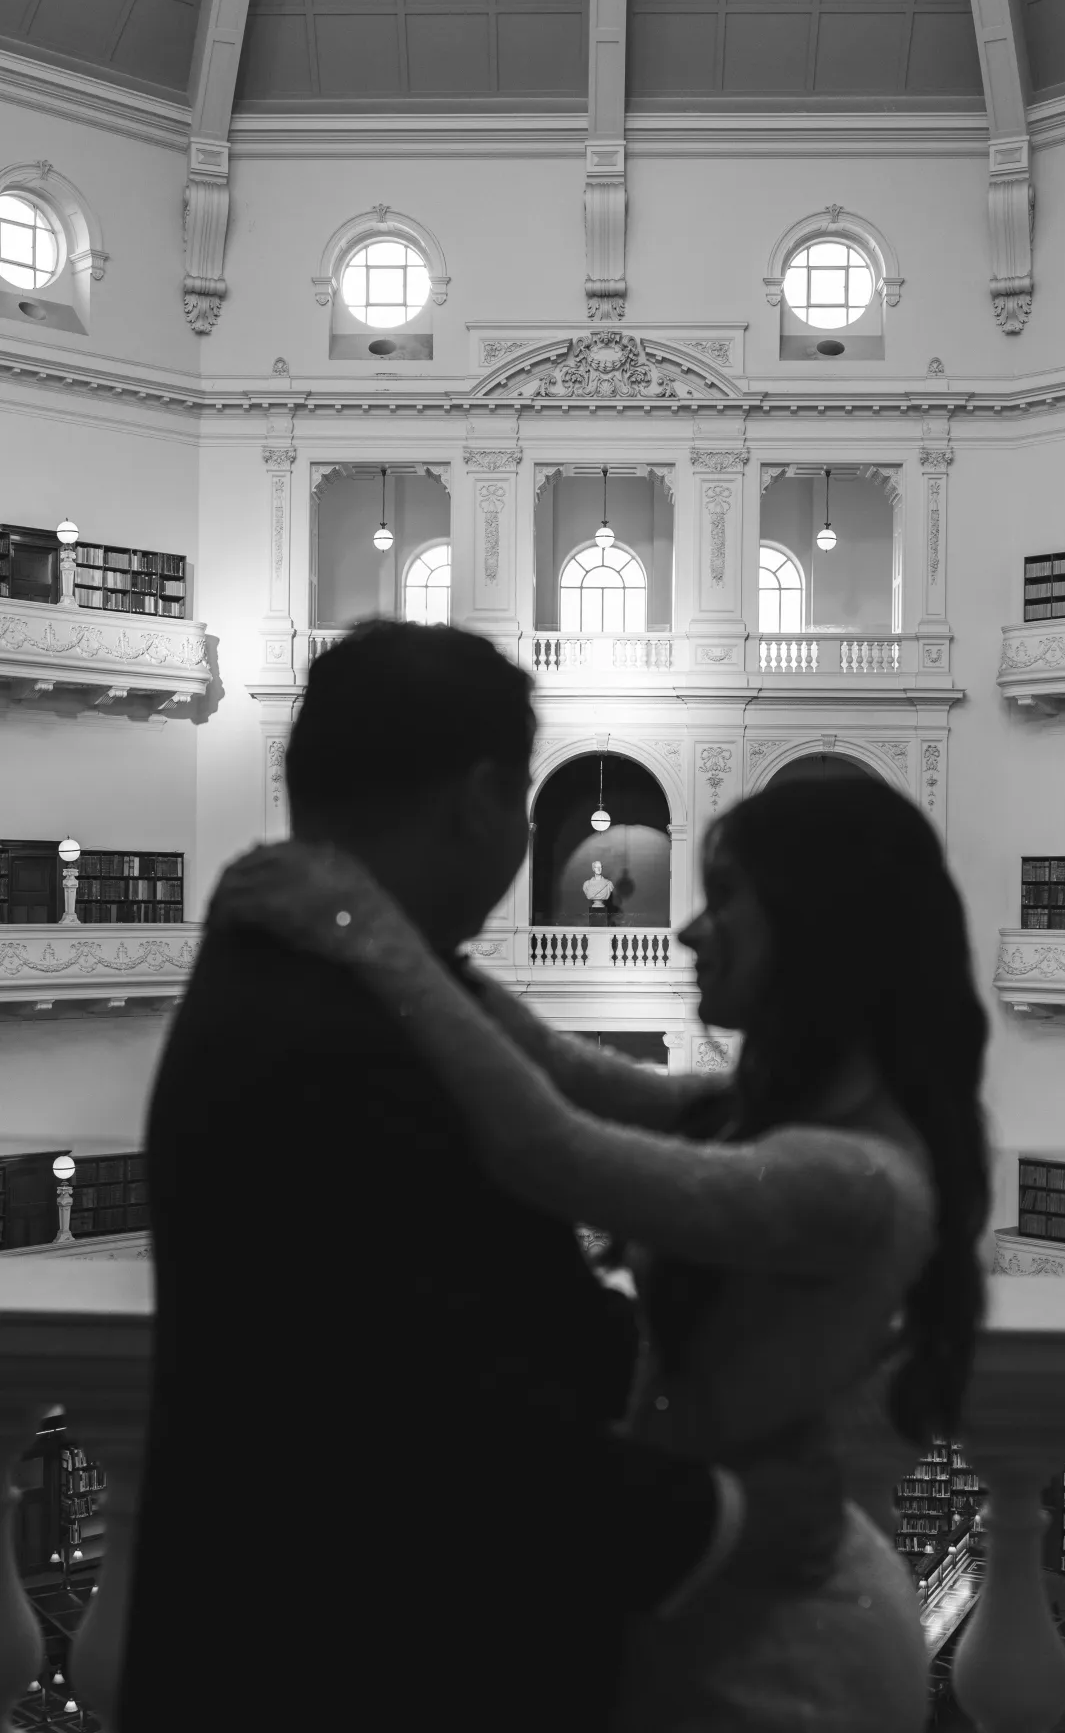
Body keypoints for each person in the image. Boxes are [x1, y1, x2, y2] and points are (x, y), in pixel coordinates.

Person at [115, 619, 847, 1733]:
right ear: (481, 798)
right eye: (526, 803)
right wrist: (730, 1514)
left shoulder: (305, 972)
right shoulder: (360, 1030)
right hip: (378, 1664)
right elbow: (440, 1439)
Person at [209, 736, 993, 1730]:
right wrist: (416, 947)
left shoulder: (853, 1179)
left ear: (818, 928)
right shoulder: (779, 1125)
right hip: (712, 1592)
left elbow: (552, 1149)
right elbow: (568, 1073)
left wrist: (368, 934)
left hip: (790, 1648)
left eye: (727, 899)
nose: (691, 930)